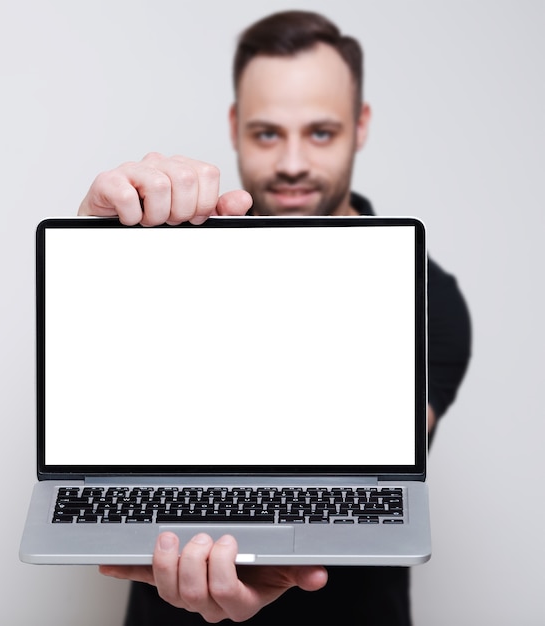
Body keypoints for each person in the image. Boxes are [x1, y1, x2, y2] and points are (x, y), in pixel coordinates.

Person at [78, 10, 471, 625]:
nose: (291, 162)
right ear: (234, 127)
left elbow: (374, 467)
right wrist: (104, 246)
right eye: (266, 133)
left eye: (320, 132)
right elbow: (108, 405)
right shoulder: (171, 258)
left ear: (360, 125)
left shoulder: (430, 296)